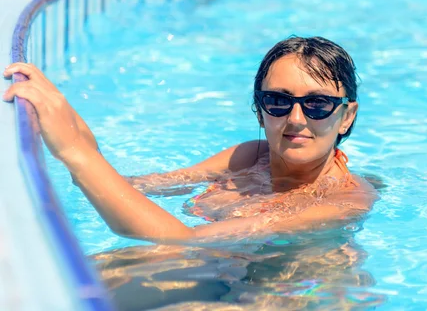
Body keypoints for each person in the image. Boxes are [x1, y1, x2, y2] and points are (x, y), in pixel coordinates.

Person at [2, 36, 378, 243]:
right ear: (259, 108)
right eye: (278, 101)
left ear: (347, 116)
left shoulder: (345, 201)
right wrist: (69, 122)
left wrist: (74, 151)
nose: (296, 119)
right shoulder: (250, 158)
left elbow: (181, 243)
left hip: (289, 297)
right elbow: (134, 188)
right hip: (220, 274)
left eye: (317, 104)